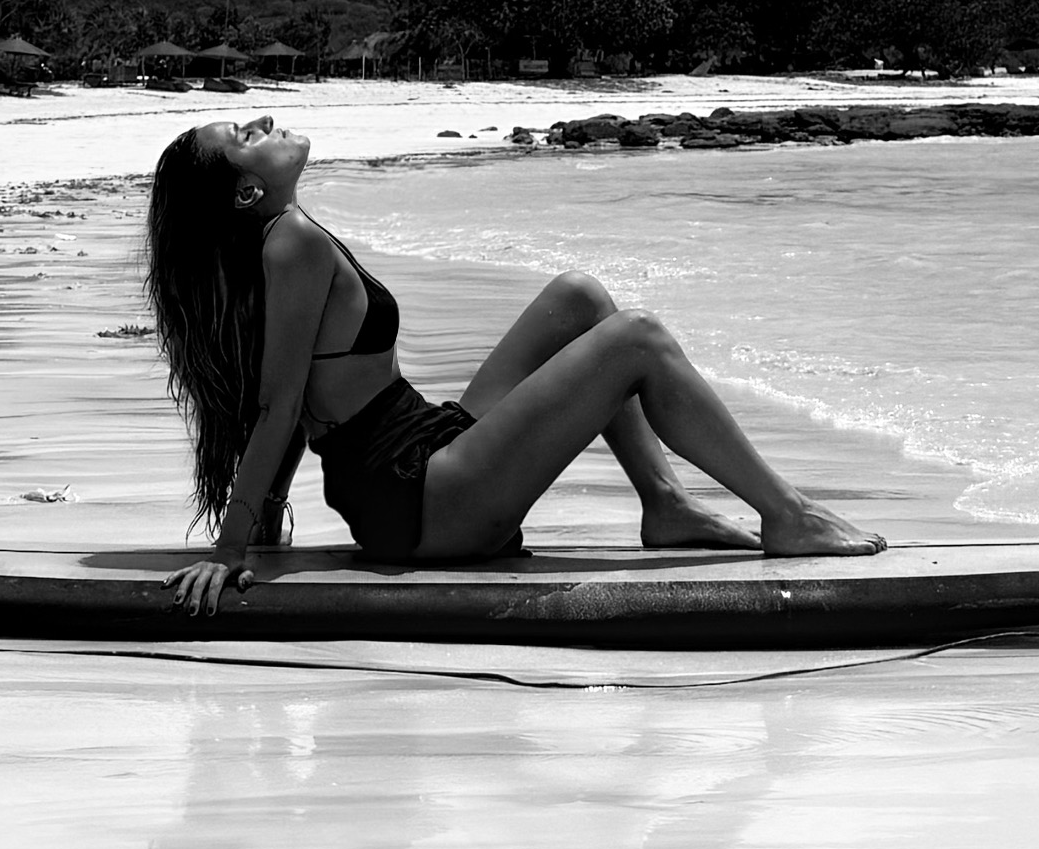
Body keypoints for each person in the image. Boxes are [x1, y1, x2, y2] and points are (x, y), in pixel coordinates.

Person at [145, 115, 883, 612]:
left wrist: (265, 524)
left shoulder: (284, 240)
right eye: (245, 134)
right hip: (418, 499)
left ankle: (666, 504)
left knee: (581, 298)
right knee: (638, 338)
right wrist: (234, 548)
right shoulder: (290, 242)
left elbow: (294, 397)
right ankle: (788, 514)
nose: (266, 122)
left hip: (418, 459)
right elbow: (279, 406)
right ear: (248, 189)